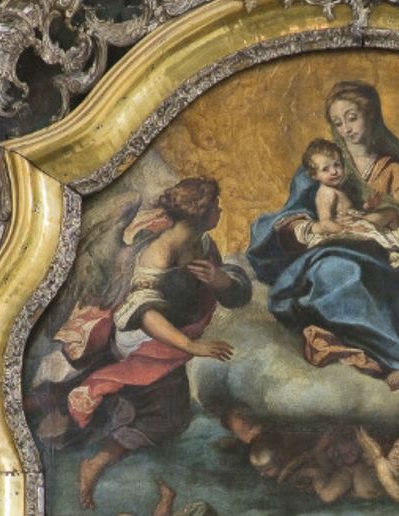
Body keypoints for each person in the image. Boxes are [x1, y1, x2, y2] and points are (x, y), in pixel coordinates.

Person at [33, 177, 252, 510]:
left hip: (173, 339)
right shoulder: (159, 252)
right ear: (200, 213)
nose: (220, 211)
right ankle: (94, 462)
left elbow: (232, 293)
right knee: (165, 415)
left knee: (165, 411)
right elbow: (144, 314)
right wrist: (191, 347)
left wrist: (221, 280)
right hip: (144, 339)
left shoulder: (203, 245)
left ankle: (76, 419)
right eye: (215, 207)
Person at [248, 80, 399, 391]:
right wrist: (315, 229)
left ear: (372, 115)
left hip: (385, 249)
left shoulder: (392, 167)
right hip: (340, 250)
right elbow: (293, 213)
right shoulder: (322, 162)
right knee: (338, 273)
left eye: (352, 118)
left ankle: (378, 348)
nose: (346, 129)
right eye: (338, 122)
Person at [299, 138, 399, 268]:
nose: (334, 171)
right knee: (388, 217)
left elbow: (352, 208)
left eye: (337, 165)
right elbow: (325, 223)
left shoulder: (338, 188)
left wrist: (368, 206)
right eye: (325, 169)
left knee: (390, 212)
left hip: (357, 219)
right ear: (314, 175)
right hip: (347, 228)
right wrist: (349, 230)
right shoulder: (326, 193)